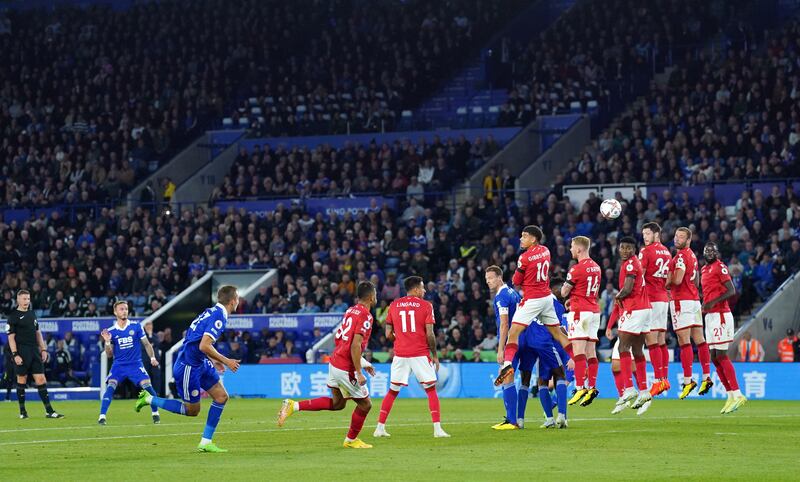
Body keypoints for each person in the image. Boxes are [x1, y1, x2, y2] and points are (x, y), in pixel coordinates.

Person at [135, 285, 242, 453]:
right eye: (238, 297)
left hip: (200, 362)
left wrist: (213, 360)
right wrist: (226, 360)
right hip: (188, 367)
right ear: (233, 301)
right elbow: (204, 344)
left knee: (221, 397)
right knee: (192, 411)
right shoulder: (219, 316)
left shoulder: (212, 311)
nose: (239, 300)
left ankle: (206, 442)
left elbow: (197, 342)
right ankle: (149, 399)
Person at [277, 282, 378, 449]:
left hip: (335, 362)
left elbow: (342, 341)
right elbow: (354, 345)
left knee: (338, 404)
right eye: (375, 294)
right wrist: (359, 372)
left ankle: (293, 406)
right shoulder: (366, 316)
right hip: (346, 367)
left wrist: (364, 362)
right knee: (366, 404)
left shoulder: (350, 311)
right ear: (371, 297)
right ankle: (351, 440)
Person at [495, 225, 573, 386]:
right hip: (546, 298)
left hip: (532, 300)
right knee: (558, 333)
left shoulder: (524, 258)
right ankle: (577, 360)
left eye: (524, 236)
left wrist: (521, 273)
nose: (521, 239)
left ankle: (508, 364)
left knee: (513, 332)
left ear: (533, 239)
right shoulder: (546, 251)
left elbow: (516, 282)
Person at [374, 276, 449, 438]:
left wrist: (400, 340)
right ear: (415, 289)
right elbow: (430, 334)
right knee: (430, 390)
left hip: (400, 354)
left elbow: (387, 334)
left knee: (393, 390)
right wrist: (434, 355)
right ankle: (437, 429)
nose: (424, 290)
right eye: (422, 288)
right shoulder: (426, 306)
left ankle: (379, 428)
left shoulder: (393, 305)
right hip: (419, 353)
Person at [700, 242, 747, 414]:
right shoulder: (704, 270)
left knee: (721, 354)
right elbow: (708, 292)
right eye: (707, 250)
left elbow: (731, 290)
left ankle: (738, 394)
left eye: (713, 250)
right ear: (704, 253)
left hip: (721, 315)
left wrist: (713, 302)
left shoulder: (721, 267)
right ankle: (730, 395)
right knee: (713, 356)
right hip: (710, 316)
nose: (710, 253)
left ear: (717, 253)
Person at [484, 265, 532, 430]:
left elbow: (504, 324)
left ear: (499, 277)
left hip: (512, 341)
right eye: (486, 279)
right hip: (523, 338)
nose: (488, 282)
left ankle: (512, 421)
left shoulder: (502, 296)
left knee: (506, 376)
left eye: (490, 278)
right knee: (513, 376)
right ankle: (517, 419)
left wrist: (501, 348)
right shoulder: (513, 293)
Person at [667, 227, 713, 399]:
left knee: (684, 341)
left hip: (682, 301)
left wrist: (667, 282)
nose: (677, 239)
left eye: (681, 237)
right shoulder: (692, 255)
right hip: (694, 300)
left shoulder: (679, 257)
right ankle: (706, 376)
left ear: (688, 240)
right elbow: (697, 279)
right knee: (700, 340)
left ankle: (688, 381)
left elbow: (677, 280)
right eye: (676, 236)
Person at [98, 300, 161, 425]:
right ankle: (102, 416)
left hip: (135, 364)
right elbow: (109, 354)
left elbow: (147, 344)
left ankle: (155, 413)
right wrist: (107, 342)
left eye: (126, 309)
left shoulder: (136, 326)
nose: (124, 311)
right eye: (121, 309)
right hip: (119, 365)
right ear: (115, 312)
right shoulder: (111, 331)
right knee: (110, 386)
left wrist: (152, 358)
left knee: (148, 386)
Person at [6, 290, 64, 419]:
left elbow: (38, 333)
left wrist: (43, 349)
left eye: (28, 299)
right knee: (22, 380)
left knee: (41, 379)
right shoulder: (13, 316)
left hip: (34, 351)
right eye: (24, 299)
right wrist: (15, 354)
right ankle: (22, 412)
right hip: (21, 351)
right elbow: (11, 338)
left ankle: (49, 411)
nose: (27, 301)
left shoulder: (32, 314)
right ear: (18, 300)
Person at [612, 237, 653, 413]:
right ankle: (644, 391)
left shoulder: (630, 264)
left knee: (623, 346)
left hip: (634, 309)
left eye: (629, 248)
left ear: (634, 249)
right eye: (622, 247)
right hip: (645, 309)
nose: (625, 251)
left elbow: (628, 289)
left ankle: (629, 387)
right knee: (637, 350)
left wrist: (618, 297)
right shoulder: (634, 262)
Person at [561, 236, 602, 407]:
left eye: (571, 246)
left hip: (580, 313)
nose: (570, 249)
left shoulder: (576, 269)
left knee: (578, 351)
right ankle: (591, 386)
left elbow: (563, 292)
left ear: (579, 249)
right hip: (594, 311)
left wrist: (570, 296)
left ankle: (579, 388)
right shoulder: (597, 267)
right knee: (591, 351)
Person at [640, 222, 672, 396]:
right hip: (663, 298)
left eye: (648, 233)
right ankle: (664, 379)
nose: (645, 237)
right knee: (661, 340)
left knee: (651, 340)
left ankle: (658, 380)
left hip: (651, 299)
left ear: (656, 234)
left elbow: (639, 275)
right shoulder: (667, 251)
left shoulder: (646, 251)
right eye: (643, 234)